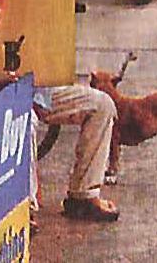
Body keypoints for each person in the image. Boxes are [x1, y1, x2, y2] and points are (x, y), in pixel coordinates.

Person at [34, 84, 120, 221]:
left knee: (103, 105)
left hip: (42, 91)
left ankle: (84, 195)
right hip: (10, 92)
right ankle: (26, 206)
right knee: (27, 120)